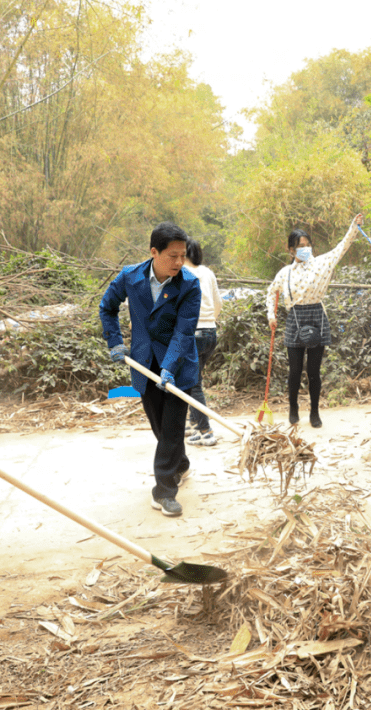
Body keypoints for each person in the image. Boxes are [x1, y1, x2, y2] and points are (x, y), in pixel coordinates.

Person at [99, 222, 200, 518]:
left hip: (179, 366)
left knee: (171, 427)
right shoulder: (130, 277)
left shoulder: (189, 285)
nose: (179, 262)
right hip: (144, 363)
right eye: (173, 256)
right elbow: (107, 307)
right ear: (154, 252)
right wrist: (115, 341)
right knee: (160, 426)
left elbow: (184, 332)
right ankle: (179, 464)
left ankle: (164, 491)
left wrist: (169, 367)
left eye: (183, 255)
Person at [267, 213, 364, 428]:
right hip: (295, 319)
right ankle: (293, 408)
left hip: (317, 316)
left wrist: (354, 227)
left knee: (313, 372)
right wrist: (271, 316)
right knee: (294, 371)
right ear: (291, 251)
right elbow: (271, 291)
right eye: (300, 245)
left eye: (308, 244)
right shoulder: (284, 273)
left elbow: (342, 247)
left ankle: (314, 412)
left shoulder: (322, 264)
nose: (306, 248)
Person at [183, 238, 222, 446]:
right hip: (210, 332)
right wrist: (210, 320)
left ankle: (206, 430)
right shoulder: (207, 272)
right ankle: (194, 427)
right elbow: (218, 302)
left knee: (193, 383)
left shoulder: (182, 273)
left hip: (193, 333)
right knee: (195, 378)